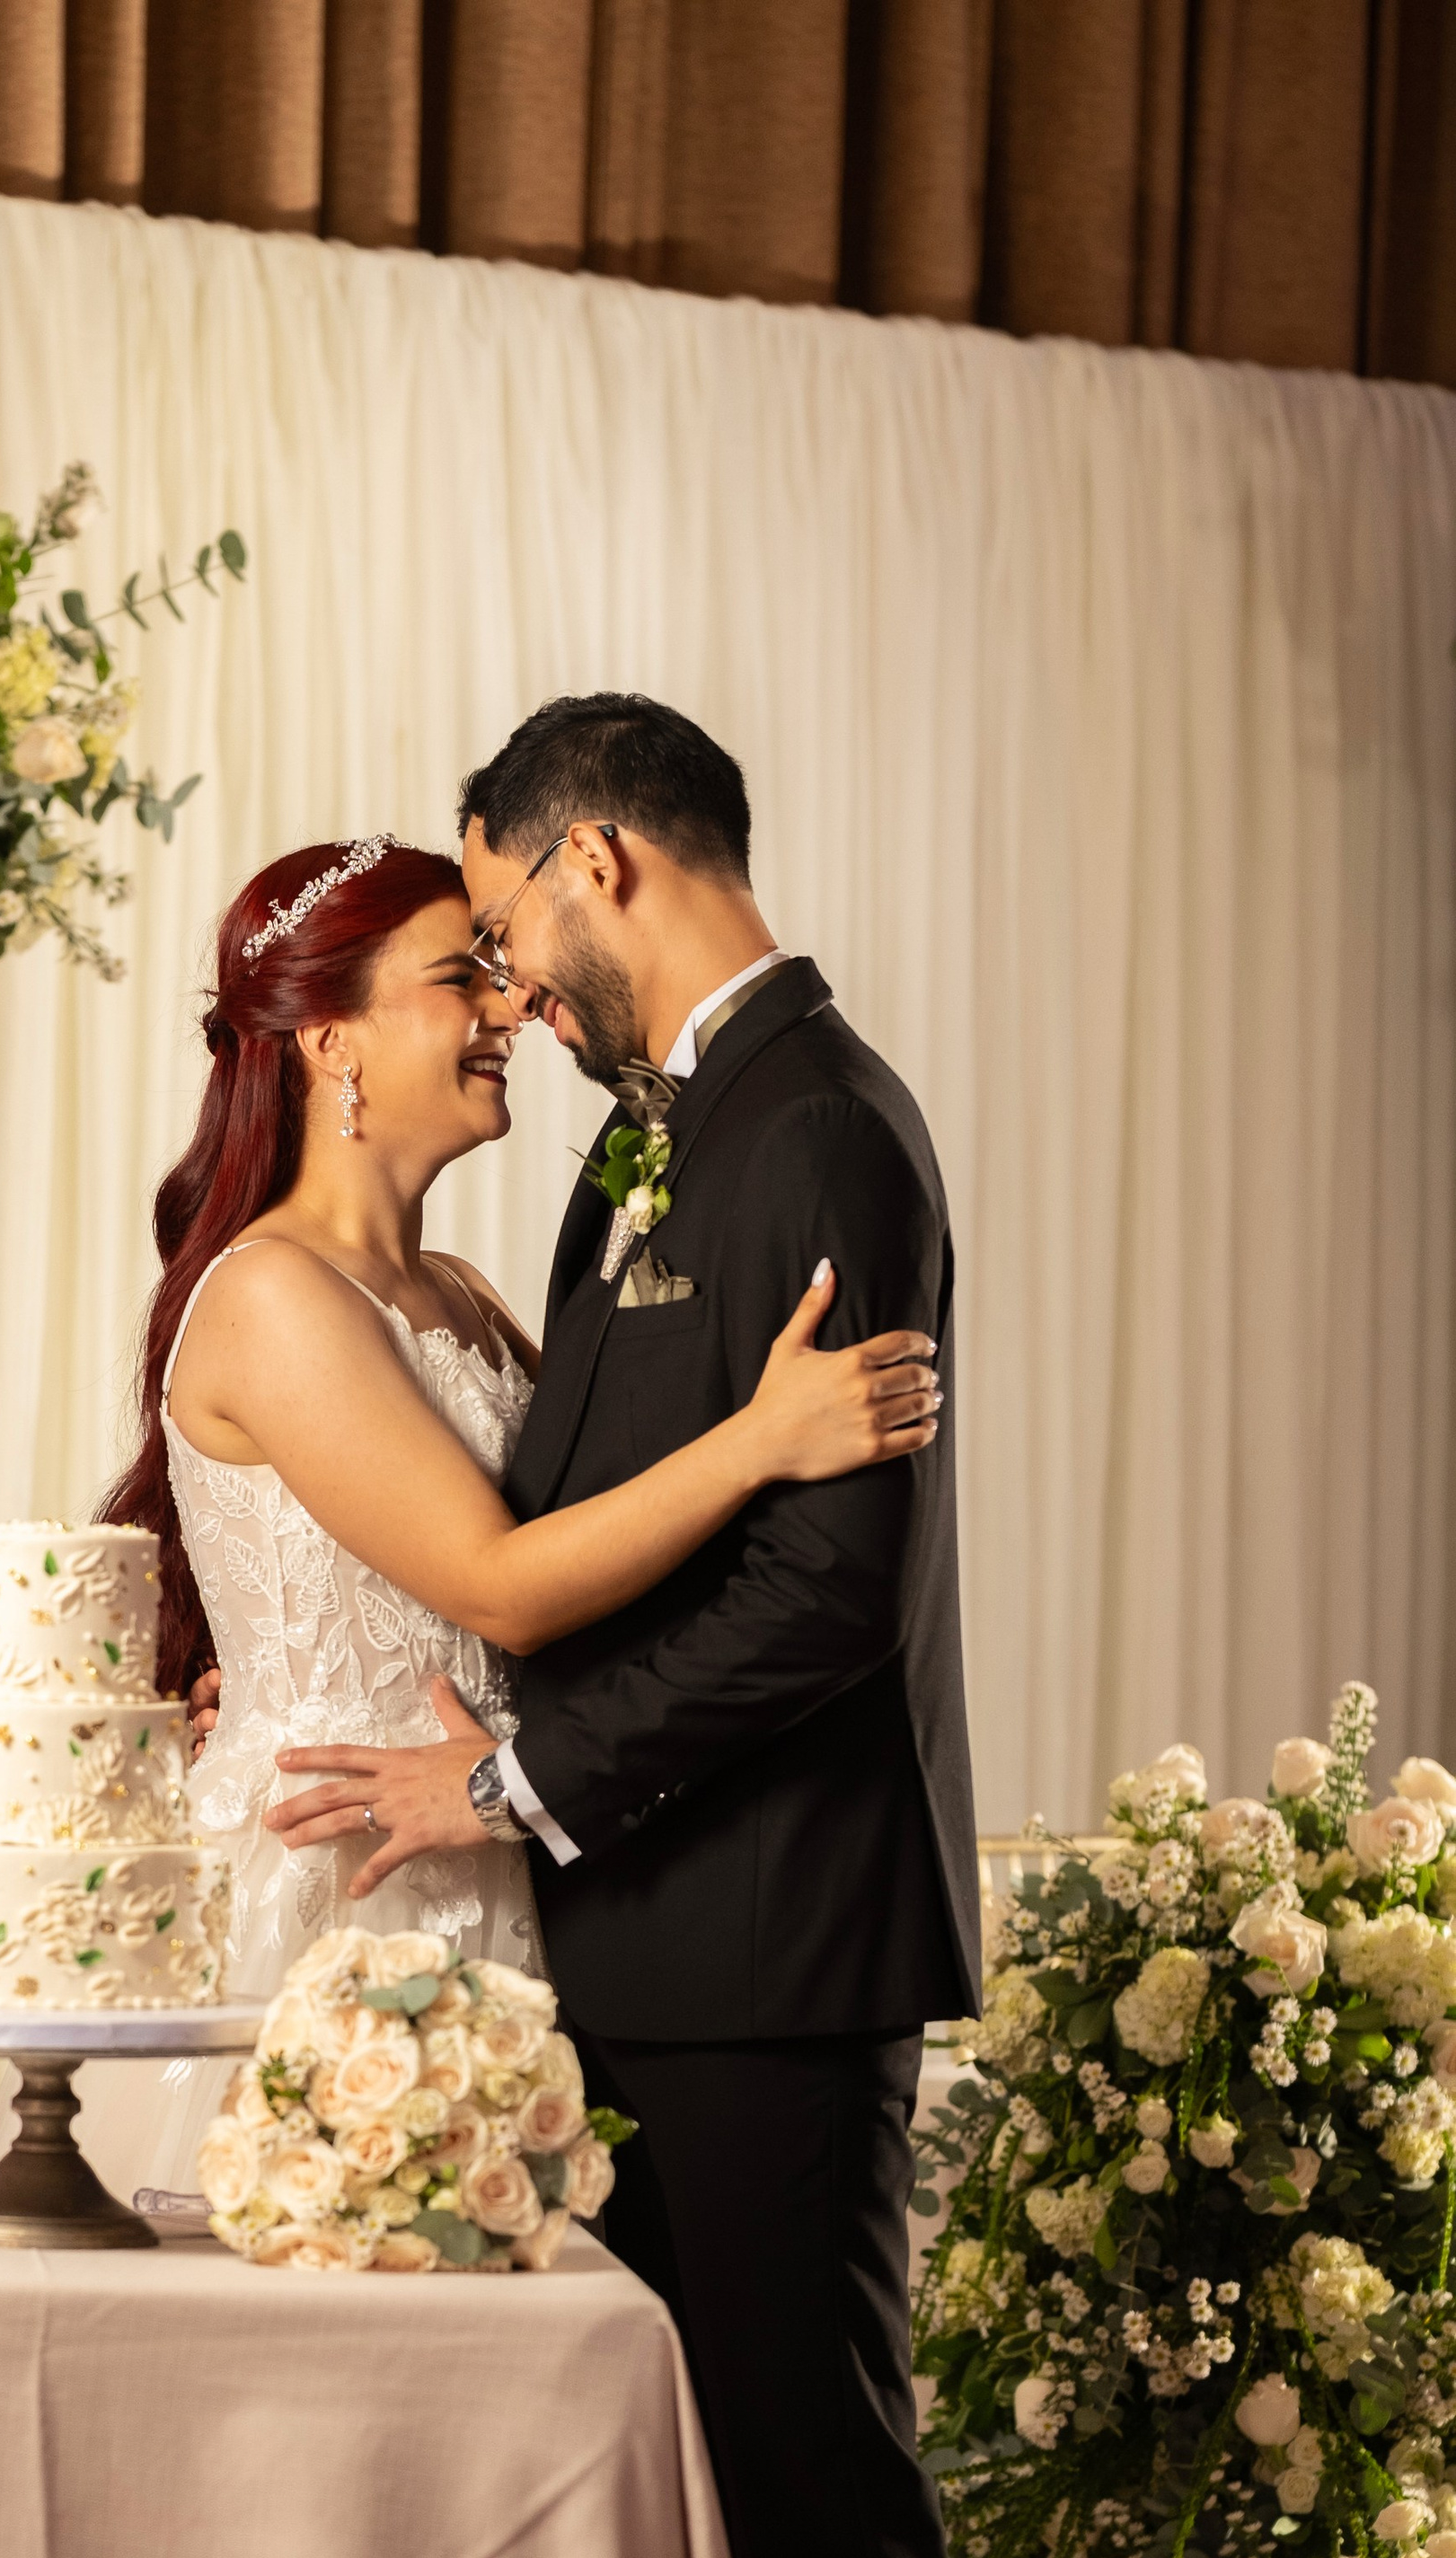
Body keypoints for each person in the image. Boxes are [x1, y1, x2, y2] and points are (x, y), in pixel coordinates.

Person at [265, 701, 984, 2558]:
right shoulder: (641, 1147)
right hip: (619, 1962)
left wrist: (513, 1781)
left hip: (774, 1952)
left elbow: (829, 1602)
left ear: (590, 858)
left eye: (504, 916)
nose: (507, 984)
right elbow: (581, 1519)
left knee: (818, 2524)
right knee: (667, 2554)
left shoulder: (825, 1123)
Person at [85, 833, 940, 2211]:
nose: (508, 1012)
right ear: (328, 1042)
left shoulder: (462, 1292)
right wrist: (764, 1439)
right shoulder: (270, 1296)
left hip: (499, 1860)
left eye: (498, 967)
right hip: (348, 1890)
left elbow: (597, 1533)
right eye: (457, 978)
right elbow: (502, 1583)